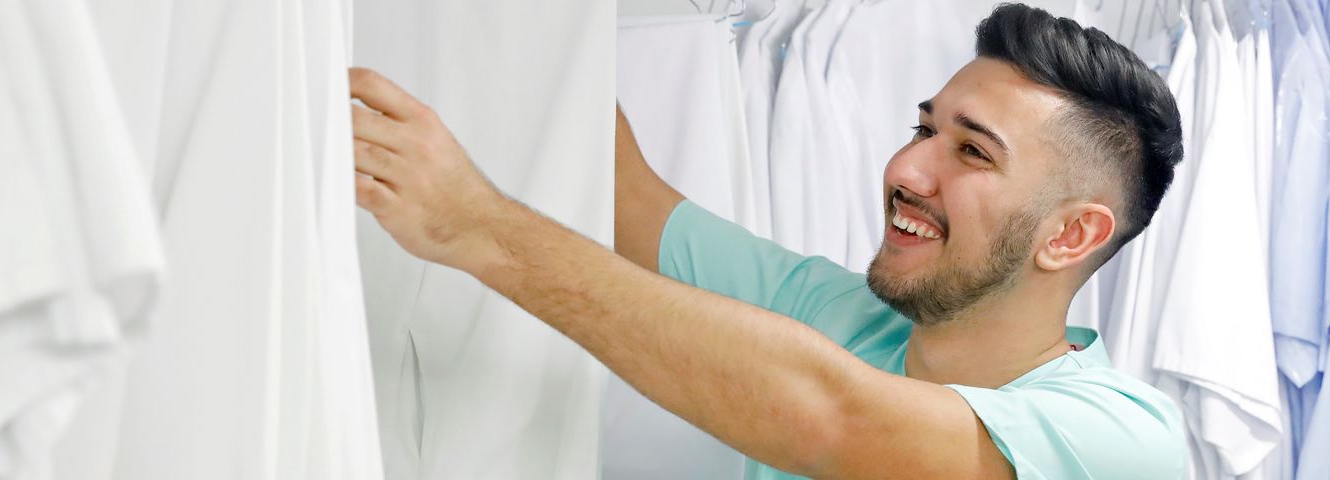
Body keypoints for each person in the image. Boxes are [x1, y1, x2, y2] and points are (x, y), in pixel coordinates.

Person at [348, 4, 1187, 478]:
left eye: (971, 152)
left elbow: (833, 418)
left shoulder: (1118, 440)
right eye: (923, 129)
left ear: (1071, 234)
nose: (905, 169)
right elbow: (628, 196)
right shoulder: (836, 309)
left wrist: (478, 226)